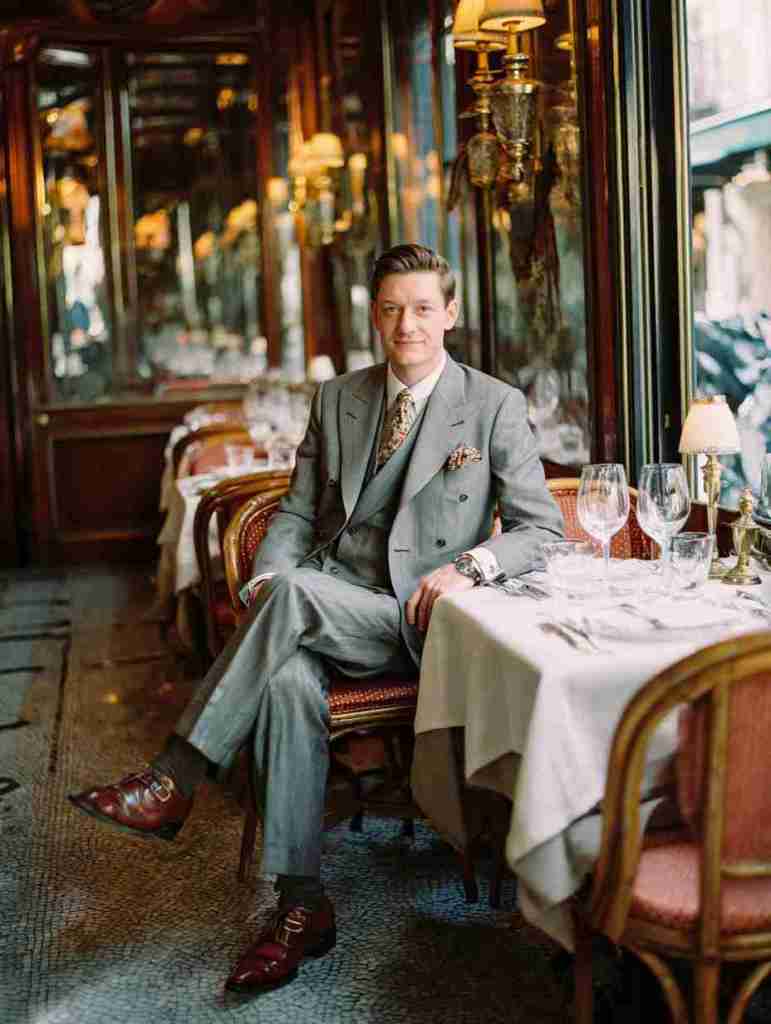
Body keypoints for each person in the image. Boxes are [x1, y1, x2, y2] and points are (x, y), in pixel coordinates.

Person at [68, 243, 564, 994]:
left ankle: (175, 777)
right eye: (392, 309)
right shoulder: (339, 398)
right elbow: (297, 512)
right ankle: (301, 907)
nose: (407, 326)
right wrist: (270, 568)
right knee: (287, 679)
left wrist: (470, 565)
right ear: (374, 313)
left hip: (418, 620)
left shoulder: (491, 404)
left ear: (451, 314)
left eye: (423, 308)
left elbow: (540, 529)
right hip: (325, 605)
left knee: (294, 598)